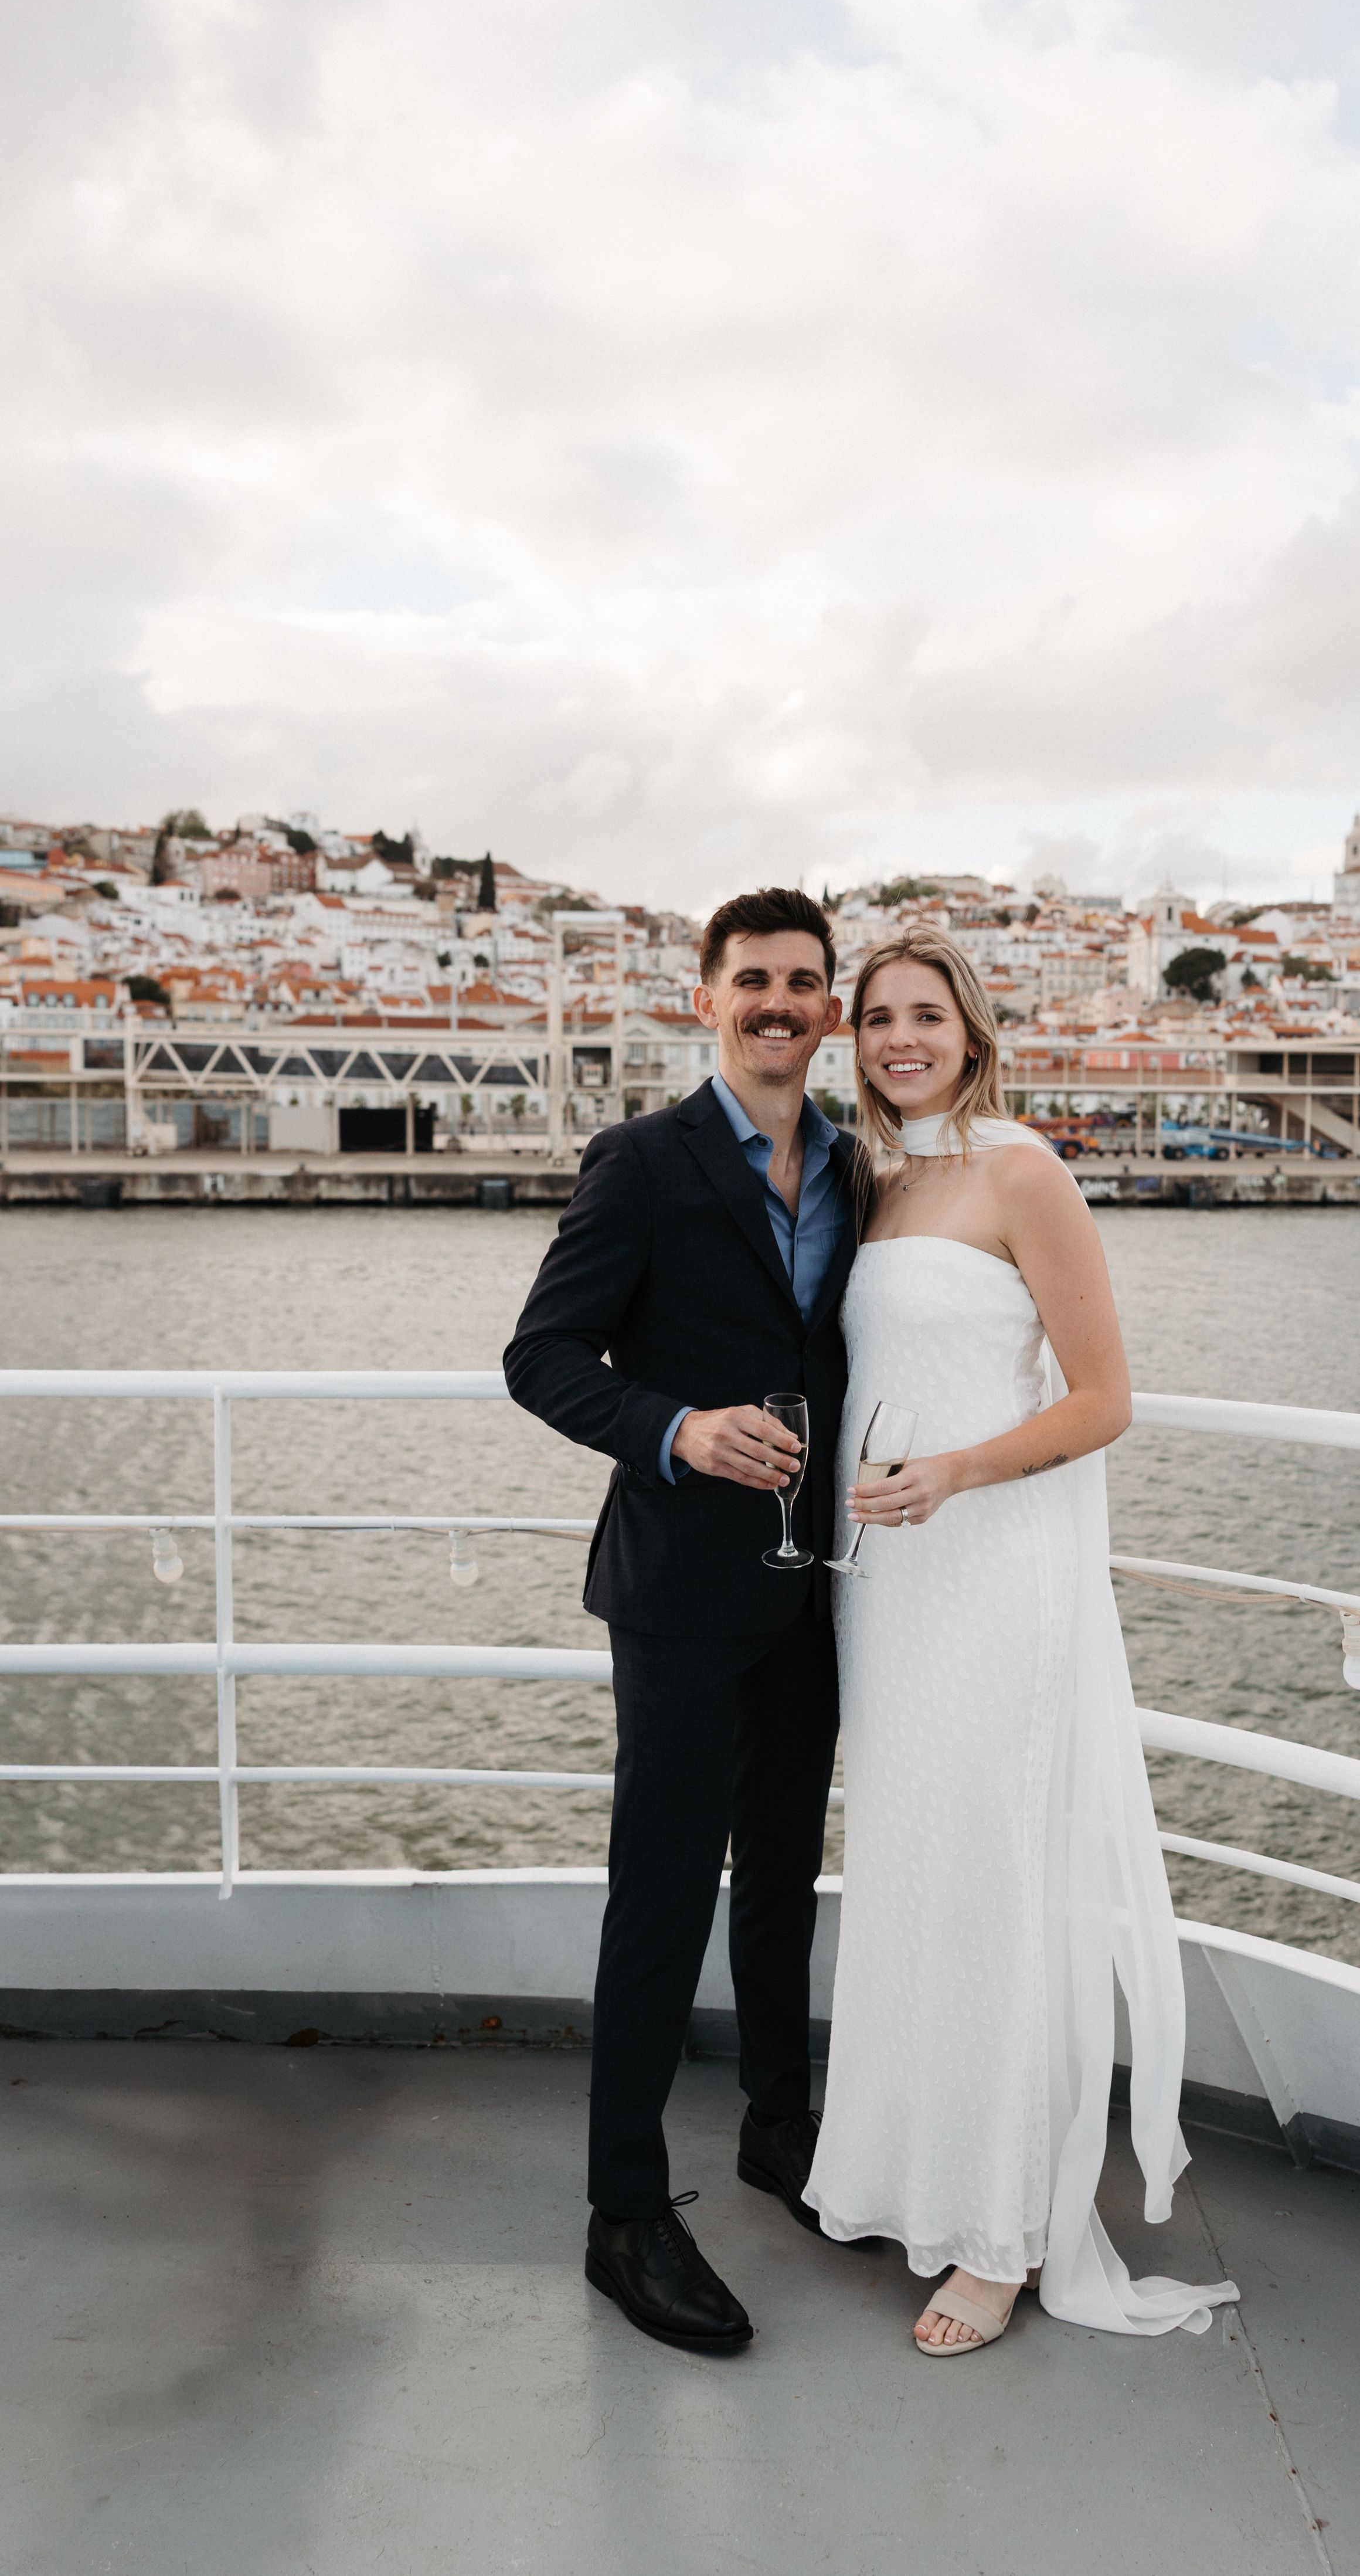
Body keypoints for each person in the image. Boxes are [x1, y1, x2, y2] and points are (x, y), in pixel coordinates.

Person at [801, 926, 1238, 2354]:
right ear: (853, 1038)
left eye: (927, 1015)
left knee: (996, 1873)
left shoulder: (1022, 1170)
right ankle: (900, 2175)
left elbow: (1106, 1397)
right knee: (913, 1864)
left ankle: (1002, 2234)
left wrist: (956, 1474)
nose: (900, 1037)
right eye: (878, 1018)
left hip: (993, 1569)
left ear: (973, 1032)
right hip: (890, 1578)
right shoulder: (871, 1178)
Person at [504, 885, 861, 2354]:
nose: (779, 1004)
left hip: (818, 1587)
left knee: (784, 1871)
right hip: (676, 1594)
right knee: (661, 1890)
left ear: (829, 1010)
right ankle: (624, 2212)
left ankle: (783, 2129)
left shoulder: (862, 1168)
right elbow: (541, 1358)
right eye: (753, 981)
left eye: (803, 983)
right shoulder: (642, 1164)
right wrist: (675, 1432)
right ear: (705, 1000)